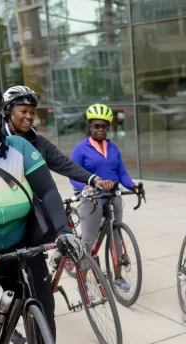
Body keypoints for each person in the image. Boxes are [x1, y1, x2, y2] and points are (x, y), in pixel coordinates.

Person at [0, 79, 84, 344]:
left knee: (44, 317)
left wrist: (64, 231)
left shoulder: (17, 146)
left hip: (22, 246)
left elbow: (48, 189)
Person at [2, 85, 113, 344]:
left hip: (31, 223)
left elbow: (61, 164)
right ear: (7, 112)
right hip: (1, 226)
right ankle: (9, 322)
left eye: (32, 112)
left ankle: (42, 338)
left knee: (40, 293)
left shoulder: (35, 141)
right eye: (23, 111)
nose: (29, 117)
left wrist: (92, 178)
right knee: (6, 281)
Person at [70, 103, 140, 292]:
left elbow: (122, 173)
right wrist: (86, 187)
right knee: (88, 240)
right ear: (89, 126)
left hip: (113, 196)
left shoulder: (113, 147)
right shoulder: (81, 149)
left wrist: (132, 185)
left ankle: (117, 277)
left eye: (104, 126)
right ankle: (82, 284)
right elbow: (73, 176)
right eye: (96, 126)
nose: (101, 129)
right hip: (92, 198)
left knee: (116, 236)